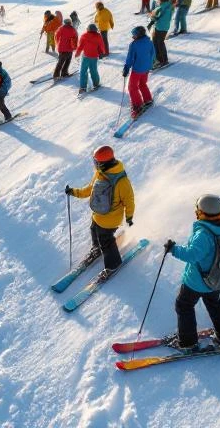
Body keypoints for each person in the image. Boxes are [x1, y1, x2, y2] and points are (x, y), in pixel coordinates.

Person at [163, 195, 220, 352]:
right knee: (215, 304)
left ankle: (188, 342)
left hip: (197, 281)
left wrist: (173, 249)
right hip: (217, 278)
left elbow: (192, 255)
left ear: (202, 213)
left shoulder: (203, 235)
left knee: (184, 305)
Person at [64, 146, 135, 281]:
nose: (95, 164)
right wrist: (73, 192)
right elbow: (89, 190)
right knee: (94, 230)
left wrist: (129, 216)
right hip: (98, 215)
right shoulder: (100, 173)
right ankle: (96, 249)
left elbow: (129, 200)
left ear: (103, 163)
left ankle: (113, 265)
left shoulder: (121, 181)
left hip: (110, 220)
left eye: (96, 162)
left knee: (106, 241)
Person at [123, 26, 155, 118]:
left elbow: (130, 58)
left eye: (134, 34)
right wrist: (149, 65)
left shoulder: (134, 44)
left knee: (132, 87)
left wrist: (126, 67)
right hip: (146, 69)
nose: (133, 36)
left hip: (137, 69)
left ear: (139, 35)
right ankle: (147, 99)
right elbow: (153, 54)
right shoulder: (149, 42)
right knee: (142, 84)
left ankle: (137, 105)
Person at [77, 24, 106, 92]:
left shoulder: (84, 36)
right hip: (94, 56)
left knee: (83, 71)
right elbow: (101, 45)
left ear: (88, 29)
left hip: (86, 56)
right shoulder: (98, 36)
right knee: (93, 70)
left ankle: (83, 87)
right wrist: (103, 52)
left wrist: (77, 53)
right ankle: (96, 84)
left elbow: (80, 46)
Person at [148, 0, 172, 66]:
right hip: (163, 27)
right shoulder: (167, 6)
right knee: (156, 43)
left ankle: (163, 60)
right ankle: (159, 59)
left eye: (159, 0)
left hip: (160, 27)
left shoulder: (161, 8)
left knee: (159, 43)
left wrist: (152, 17)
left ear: (162, 0)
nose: (158, 1)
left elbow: (157, 17)